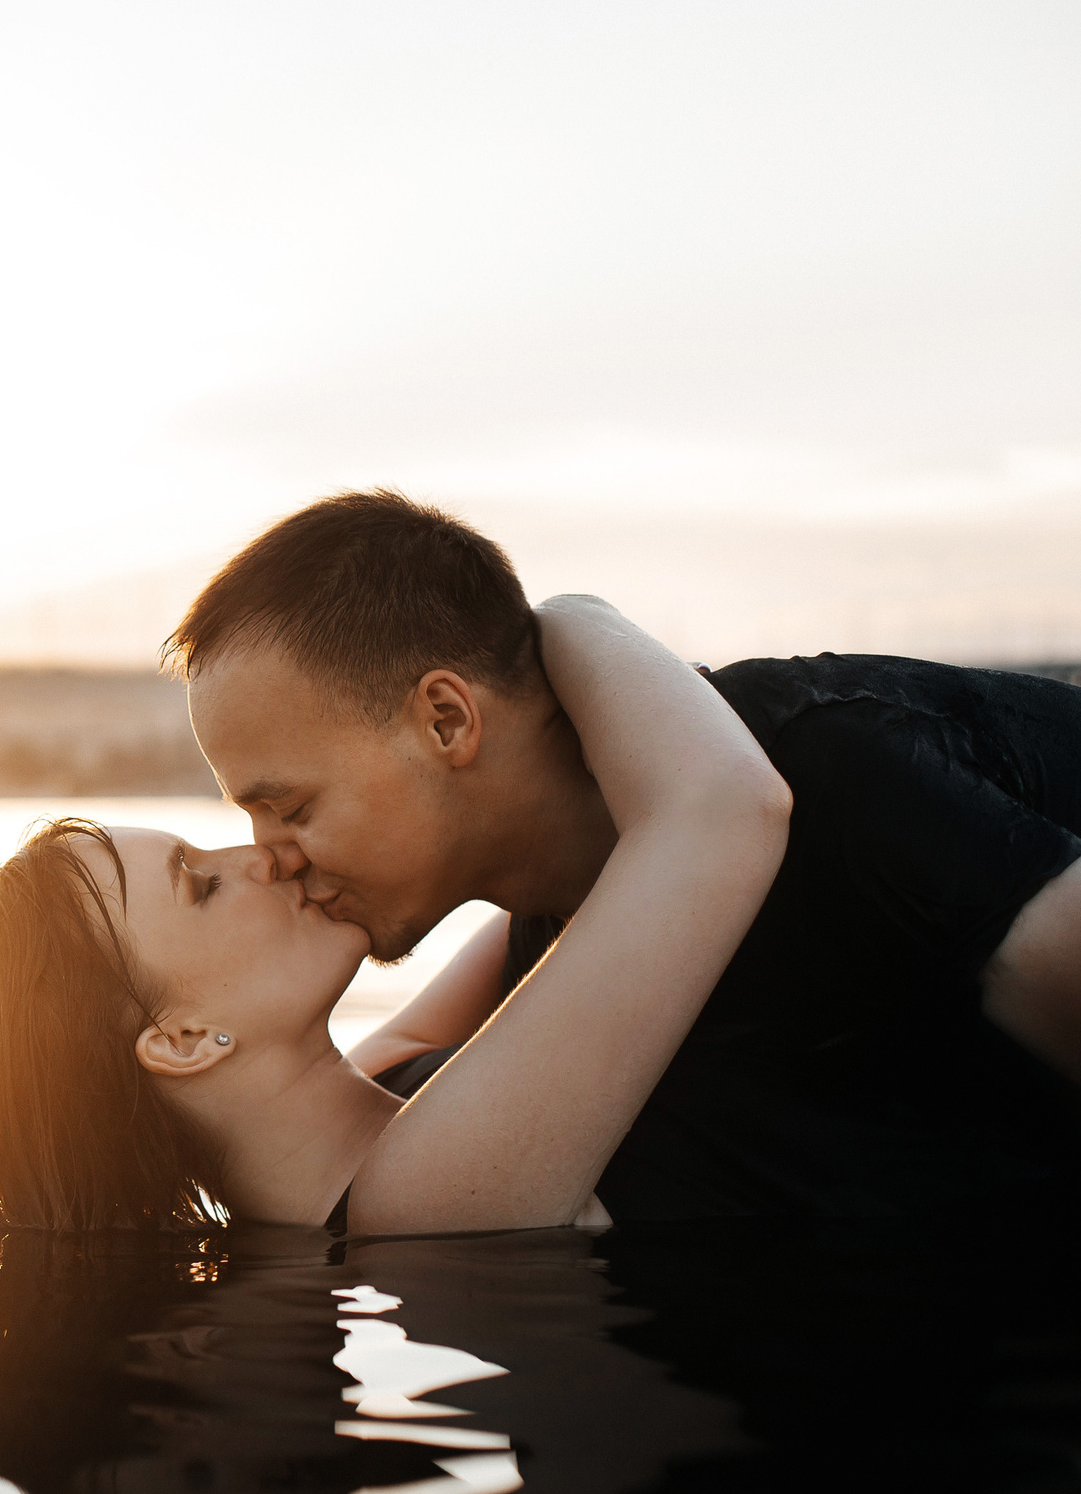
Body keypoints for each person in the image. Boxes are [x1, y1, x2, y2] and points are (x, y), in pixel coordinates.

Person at [178, 490, 1081, 1222]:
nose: (271, 857)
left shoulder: (832, 777)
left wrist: (570, 616)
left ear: (446, 719)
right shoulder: (560, 947)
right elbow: (377, 1086)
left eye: (289, 806)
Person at [0, 594, 792, 1234]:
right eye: (202, 882)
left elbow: (561, 899)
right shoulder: (422, 1200)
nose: (262, 854)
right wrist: (546, 623)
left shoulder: (383, 1090)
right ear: (182, 1038)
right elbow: (718, 811)